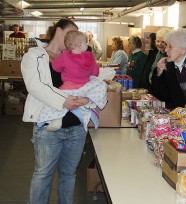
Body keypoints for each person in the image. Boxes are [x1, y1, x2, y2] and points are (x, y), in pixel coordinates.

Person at [21, 19, 91, 204]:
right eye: (70, 34)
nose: (73, 40)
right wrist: (64, 101)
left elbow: (89, 81)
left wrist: (89, 97)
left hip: (76, 127)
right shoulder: (35, 55)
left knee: (69, 175)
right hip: (48, 130)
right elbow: (35, 86)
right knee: (43, 175)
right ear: (58, 31)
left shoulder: (75, 57)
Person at [37, 30, 107, 131]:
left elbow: (56, 68)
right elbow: (95, 73)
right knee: (101, 85)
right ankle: (89, 103)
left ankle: (55, 119)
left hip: (68, 89)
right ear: (80, 44)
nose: (87, 45)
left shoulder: (64, 56)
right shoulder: (90, 56)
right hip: (85, 88)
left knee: (56, 102)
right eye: (85, 43)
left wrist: (65, 68)